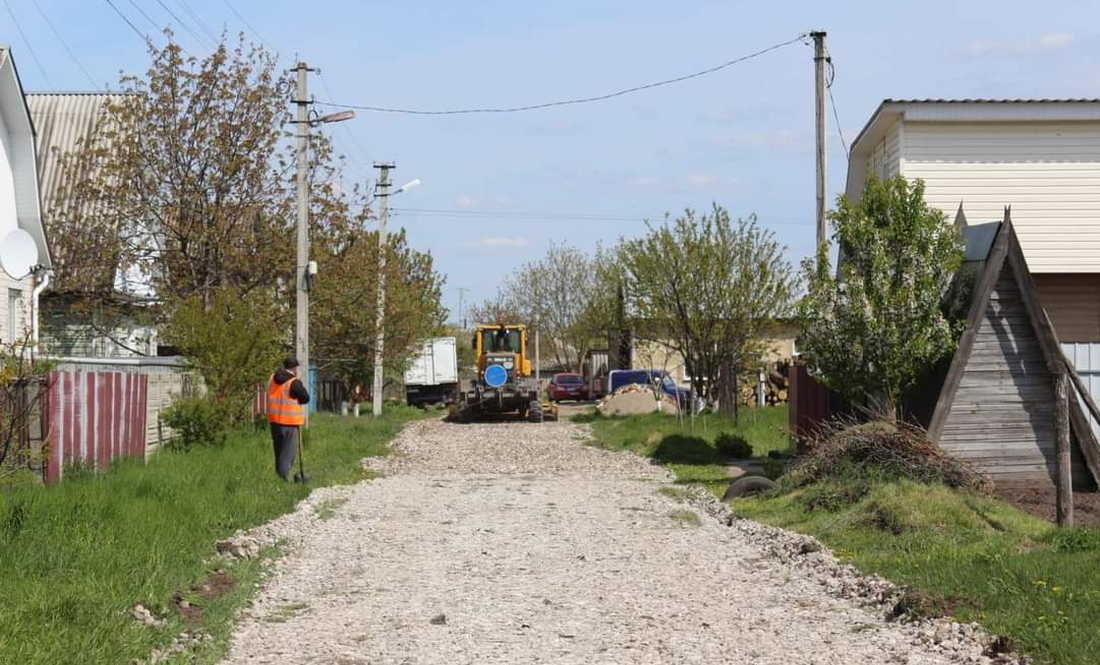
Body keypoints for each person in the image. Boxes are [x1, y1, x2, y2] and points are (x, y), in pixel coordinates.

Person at [266, 357, 311, 481]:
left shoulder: (272, 378)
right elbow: (306, 398)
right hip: (290, 422)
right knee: (287, 453)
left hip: (274, 421)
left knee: (279, 451)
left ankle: (278, 477)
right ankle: (282, 479)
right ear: (295, 368)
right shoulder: (294, 382)